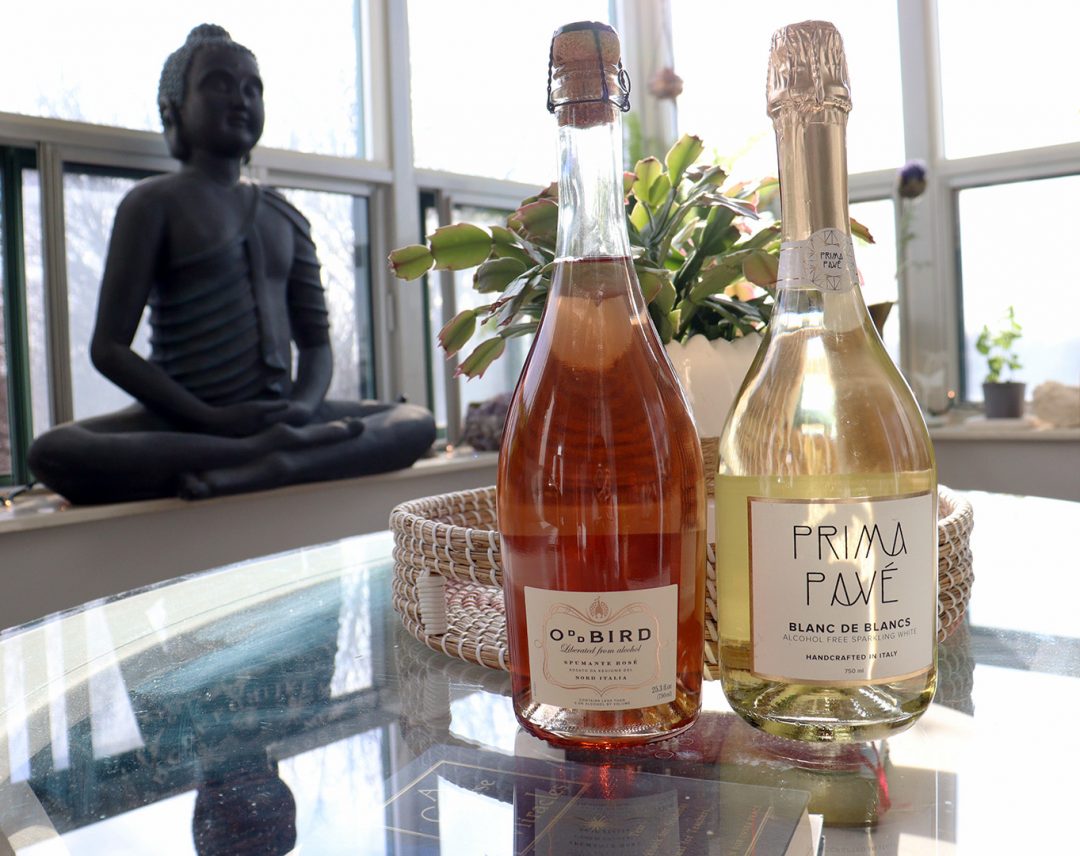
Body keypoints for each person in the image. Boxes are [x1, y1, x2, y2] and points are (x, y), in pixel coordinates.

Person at [28, 24, 435, 504]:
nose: (240, 99)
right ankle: (272, 455)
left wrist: (302, 409)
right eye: (220, 84)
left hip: (282, 416)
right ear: (173, 107)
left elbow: (316, 344)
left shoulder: (285, 215)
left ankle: (278, 460)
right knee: (55, 451)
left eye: (252, 88)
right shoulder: (152, 204)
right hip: (188, 419)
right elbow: (109, 348)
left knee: (413, 422)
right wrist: (209, 418)